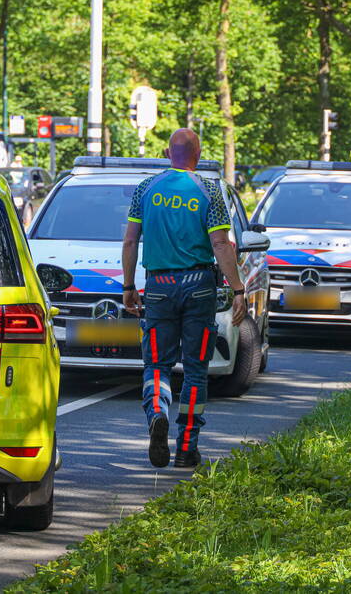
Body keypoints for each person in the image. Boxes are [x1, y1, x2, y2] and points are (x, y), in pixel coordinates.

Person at [121, 129, 247, 469]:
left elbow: (131, 240)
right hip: (199, 286)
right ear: (198, 153)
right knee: (195, 371)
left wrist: (128, 286)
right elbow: (221, 244)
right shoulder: (208, 191)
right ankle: (187, 447)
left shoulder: (147, 189)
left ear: (167, 152)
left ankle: (157, 412)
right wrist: (238, 289)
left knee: (157, 364)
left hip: (159, 285)